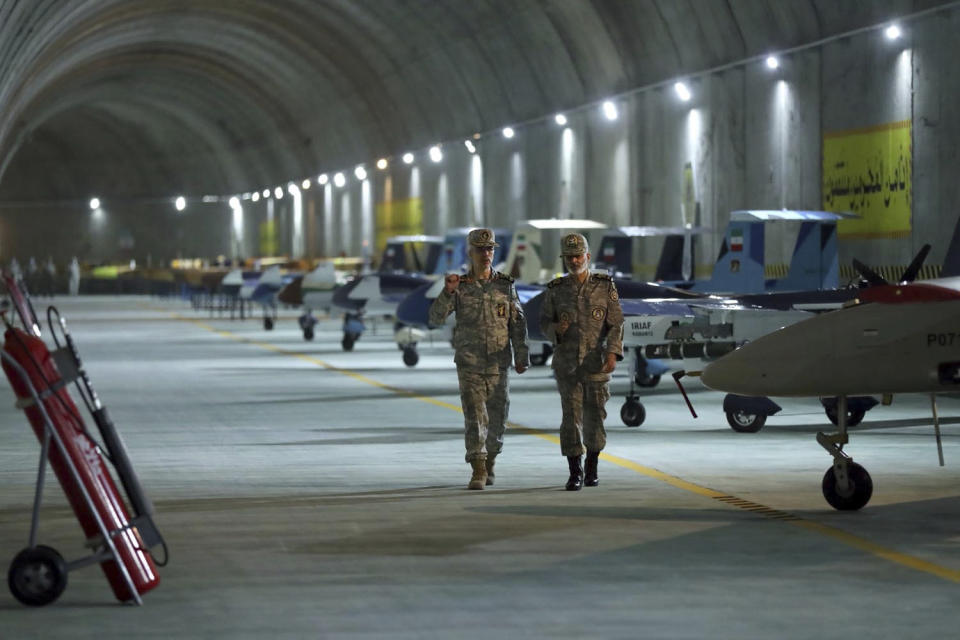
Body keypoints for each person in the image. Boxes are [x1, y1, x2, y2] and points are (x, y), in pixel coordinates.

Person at [429, 228, 529, 490]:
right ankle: (478, 468)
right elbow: (435, 319)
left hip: (499, 362)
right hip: (470, 363)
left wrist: (521, 355)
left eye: (490, 249)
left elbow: (517, 323)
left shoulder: (505, 285)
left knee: (497, 417)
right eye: (481, 249)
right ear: (470, 252)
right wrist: (447, 293)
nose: (486, 254)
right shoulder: (460, 287)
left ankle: (491, 458)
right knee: (475, 417)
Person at [539, 233, 624, 490]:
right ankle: (574, 471)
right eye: (569, 257)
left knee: (595, 416)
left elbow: (616, 322)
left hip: (595, 363)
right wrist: (557, 329)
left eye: (578, 256)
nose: (574, 260)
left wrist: (612, 352)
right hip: (567, 365)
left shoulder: (605, 285)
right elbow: (543, 323)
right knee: (571, 418)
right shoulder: (556, 289)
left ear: (587, 256)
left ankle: (592, 467)